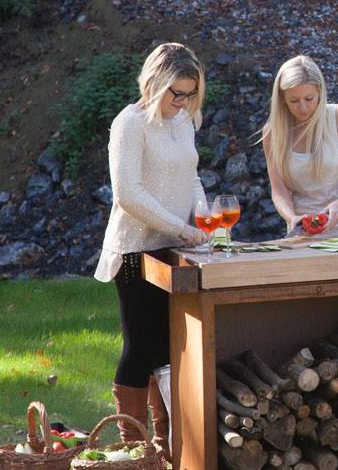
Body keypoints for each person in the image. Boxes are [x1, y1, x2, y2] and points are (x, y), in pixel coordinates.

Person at [92, 42, 212, 462]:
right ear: (153, 83)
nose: (181, 102)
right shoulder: (130, 122)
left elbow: (190, 178)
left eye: (189, 94)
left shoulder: (185, 122)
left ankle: (166, 447)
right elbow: (129, 195)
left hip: (177, 247)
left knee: (170, 347)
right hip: (135, 249)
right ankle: (132, 447)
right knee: (141, 348)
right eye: (175, 93)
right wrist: (181, 227)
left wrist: (205, 215)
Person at [260, 55, 338, 238]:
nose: (303, 108)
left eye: (309, 98)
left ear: (320, 92)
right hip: (303, 236)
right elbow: (279, 190)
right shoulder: (273, 133)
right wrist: (292, 218)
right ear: (282, 99)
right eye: (294, 101)